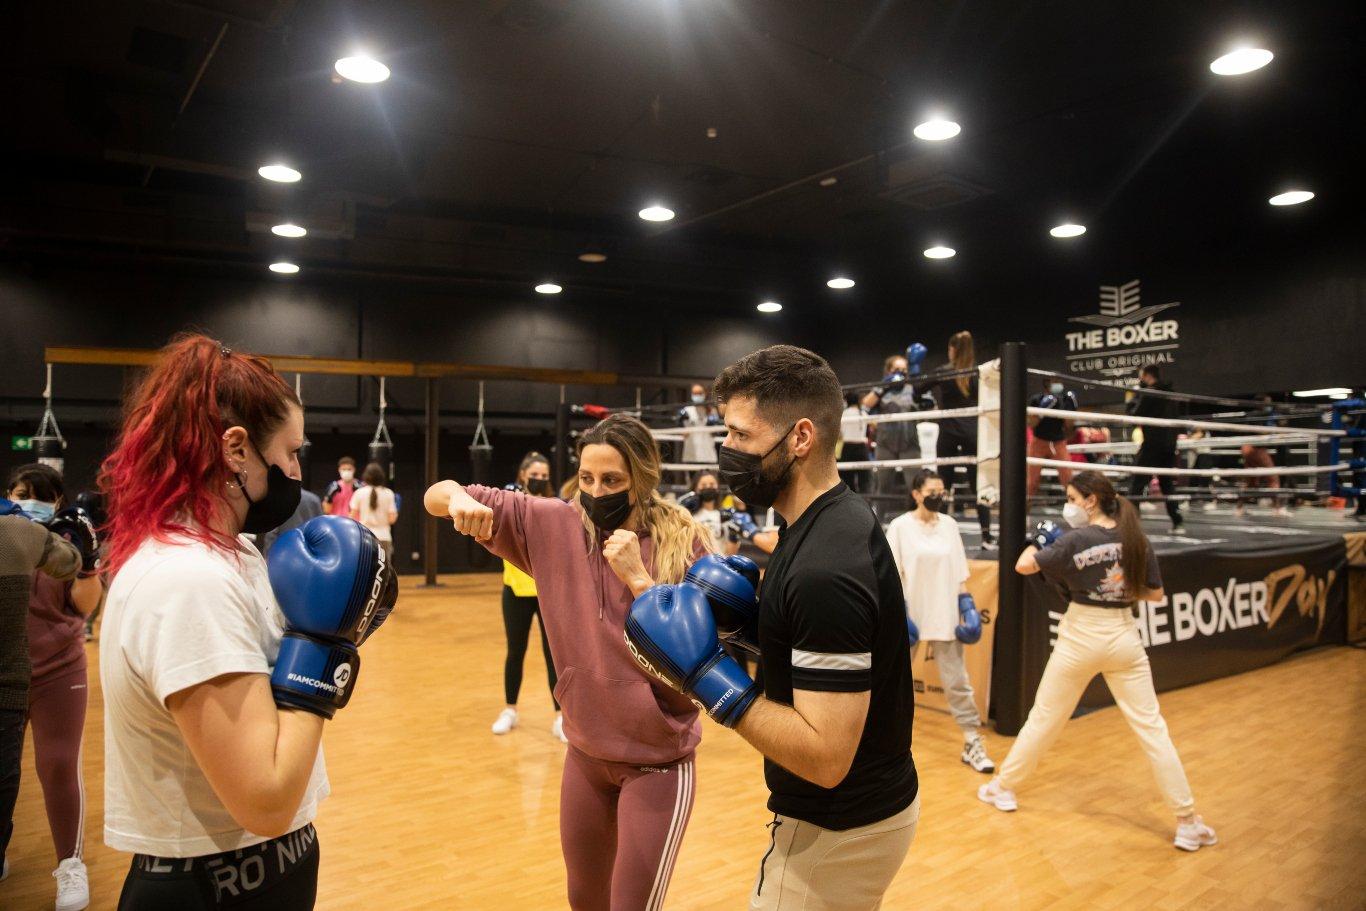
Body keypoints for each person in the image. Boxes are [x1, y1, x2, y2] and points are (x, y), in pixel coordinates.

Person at [97, 333, 396, 909]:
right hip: (213, 880)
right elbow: (265, 799)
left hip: (261, 868)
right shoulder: (188, 582)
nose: (295, 469)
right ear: (236, 449)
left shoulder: (234, 553)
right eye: (290, 452)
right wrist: (325, 644)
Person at [627, 345, 918, 910]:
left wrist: (708, 676)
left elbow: (826, 756)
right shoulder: (823, 521)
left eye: (740, 435)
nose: (726, 451)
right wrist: (754, 629)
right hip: (857, 821)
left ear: (801, 438)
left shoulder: (824, 567)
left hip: (836, 833)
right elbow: (825, 653)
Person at [425, 413, 713, 911]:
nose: (595, 491)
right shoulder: (551, 524)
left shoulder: (686, 545)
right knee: (584, 900)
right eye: (586, 478)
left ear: (641, 480)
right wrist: (461, 500)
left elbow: (700, 668)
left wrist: (641, 581)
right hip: (584, 755)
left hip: (657, 763)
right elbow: (438, 492)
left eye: (612, 480)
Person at [979, 470, 1217, 852]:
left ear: (1091, 500)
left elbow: (1024, 566)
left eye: (1073, 498)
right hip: (1123, 634)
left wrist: (1038, 539)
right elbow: (1155, 595)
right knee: (1152, 729)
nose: (1069, 505)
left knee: (1045, 718)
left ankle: (1003, 788)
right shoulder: (1135, 539)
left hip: (1080, 635)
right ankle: (1187, 821)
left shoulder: (1076, 539)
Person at [6, 465, 105, 911]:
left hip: (59, 669)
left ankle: (70, 865)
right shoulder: (7, 538)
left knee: (58, 766)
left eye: (38, 495)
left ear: (57, 502)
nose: (29, 501)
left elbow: (84, 608)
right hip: (6, 670)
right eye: (20, 493)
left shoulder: (65, 544)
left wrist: (90, 565)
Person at [884, 469, 994, 773]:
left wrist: (967, 607)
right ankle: (881, 747)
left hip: (944, 613)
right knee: (894, 684)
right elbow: (890, 575)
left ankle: (973, 741)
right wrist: (897, 613)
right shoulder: (900, 527)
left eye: (942, 491)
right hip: (911, 614)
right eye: (933, 491)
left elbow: (959, 573)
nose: (939, 496)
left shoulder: (949, 525)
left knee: (957, 682)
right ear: (917, 494)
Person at [0, 499, 83, 890]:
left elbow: (74, 573)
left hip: (45, 672)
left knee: (53, 766)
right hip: (12, 680)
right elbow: (68, 560)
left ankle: (70, 865)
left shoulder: (20, 532)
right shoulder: (20, 531)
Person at [491, 452, 563, 742]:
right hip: (515, 591)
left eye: (544, 476)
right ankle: (510, 709)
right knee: (515, 651)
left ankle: (561, 716)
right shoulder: (510, 500)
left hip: (547, 592)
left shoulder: (554, 505)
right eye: (535, 475)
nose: (540, 480)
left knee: (553, 655)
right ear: (523, 474)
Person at [926, 331, 995, 548]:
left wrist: (927, 401)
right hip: (973, 432)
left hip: (948, 431)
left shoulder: (944, 372)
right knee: (978, 484)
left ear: (952, 349)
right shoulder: (978, 372)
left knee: (943, 483)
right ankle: (987, 536)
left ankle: (938, 533)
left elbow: (918, 389)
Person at [1126, 365, 1183, 532]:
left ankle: (1131, 525)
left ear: (1146, 375)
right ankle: (1177, 521)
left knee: (1137, 483)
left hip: (1152, 444)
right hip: (1169, 445)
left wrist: (1135, 397)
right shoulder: (1170, 393)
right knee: (1166, 484)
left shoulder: (1150, 393)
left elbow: (1134, 415)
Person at [861, 351, 921, 506]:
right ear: (888, 371)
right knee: (883, 488)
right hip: (886, 443)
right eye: (896, 369)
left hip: (910, 443)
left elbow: (930, 404)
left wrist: (924, 400)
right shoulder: (881, 388)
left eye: (904, 370)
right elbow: (866, 405)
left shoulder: (913, 388)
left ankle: (916, 525)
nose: (901, 373)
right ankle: (877, 526)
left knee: (915, 487)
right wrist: (884, 387)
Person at [1026, 379, 1077, 499]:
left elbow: (1069, 426)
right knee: (1031, 482)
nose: (1059, 384)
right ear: (1047, 384)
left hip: (1058, 443)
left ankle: (1076, 510)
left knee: (1068, 479)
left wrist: (1072, 410)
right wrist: (1042, 411)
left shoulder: (1064, 400)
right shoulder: (1036, 399)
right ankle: (1023, 513)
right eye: (1055, 382)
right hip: (1039, 441)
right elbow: (1031, 424)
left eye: (1059, 381)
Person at [350, 462, 398, 563]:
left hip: (365, 537)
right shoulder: (388, 493)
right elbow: (392, 519)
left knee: (366, 568)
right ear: (381, 477)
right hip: (384, 536)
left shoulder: (359, 493)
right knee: (385, 571)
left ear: (366, 477)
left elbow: (351, 517)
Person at [259, 488, 324, 558]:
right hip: (309, 555)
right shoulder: (314, 500)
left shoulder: (280, 499)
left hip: (285, 553)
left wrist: (268, 555)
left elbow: (272, 531)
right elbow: (320, 529)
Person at [677, 383, 721, 464]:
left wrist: (712, 425)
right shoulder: (686, 411)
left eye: (699, 393)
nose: (697, 396)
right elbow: (683, 434)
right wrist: (683, 430)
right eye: (695, 394)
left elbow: (716, 433)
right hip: (691, 456)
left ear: (704, 394)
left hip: (708, 456)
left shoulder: (712, 411)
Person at [838, 392, 872, 493]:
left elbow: (839, 434)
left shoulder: (843, 414)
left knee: (847, 480)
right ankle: (867, 504)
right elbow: (874, 424)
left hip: (847, 448)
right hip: (861, 447)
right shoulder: (863, 413)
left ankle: (850, 505)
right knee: (865, 480)